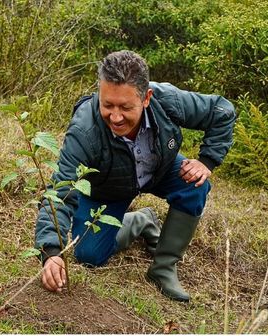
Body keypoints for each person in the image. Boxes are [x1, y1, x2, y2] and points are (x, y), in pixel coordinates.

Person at [36, 50, 236, 302]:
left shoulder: (167, 99)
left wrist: (207, 161)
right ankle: (141, 221)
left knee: (195, 183)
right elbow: (61, 192)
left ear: (146, 98)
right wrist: (51, 251)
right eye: (107, 105)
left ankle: (163, 267)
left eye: (125, 107)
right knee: (88, 255)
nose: (115, 117)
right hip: (108, 188)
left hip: (159, 168)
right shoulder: (84, 130)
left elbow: (222, 110)